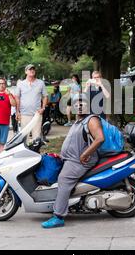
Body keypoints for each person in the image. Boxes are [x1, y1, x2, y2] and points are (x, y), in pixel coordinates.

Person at [41, 93, 105, 229]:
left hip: (80, 160)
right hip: (71, 158)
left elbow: (100, 138)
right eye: (76, 104)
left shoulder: (91, 120)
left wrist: (84, 154)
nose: (79, 106)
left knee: (63, 179)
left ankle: (58, 216)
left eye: (83, 103)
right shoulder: (78, 121)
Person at [15, 64, 48, 142]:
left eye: (33, 69)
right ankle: (25, 153)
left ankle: (35, 153)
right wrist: (17, 112)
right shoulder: (20, 84)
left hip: (37, 114)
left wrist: (43, 108)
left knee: (36, 137)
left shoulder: (40, 83)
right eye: (30, 69)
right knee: (24, 137)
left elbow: (45, 96)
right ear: (26, 71)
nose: (32, 70)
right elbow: (17, 98)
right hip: (24, 114)